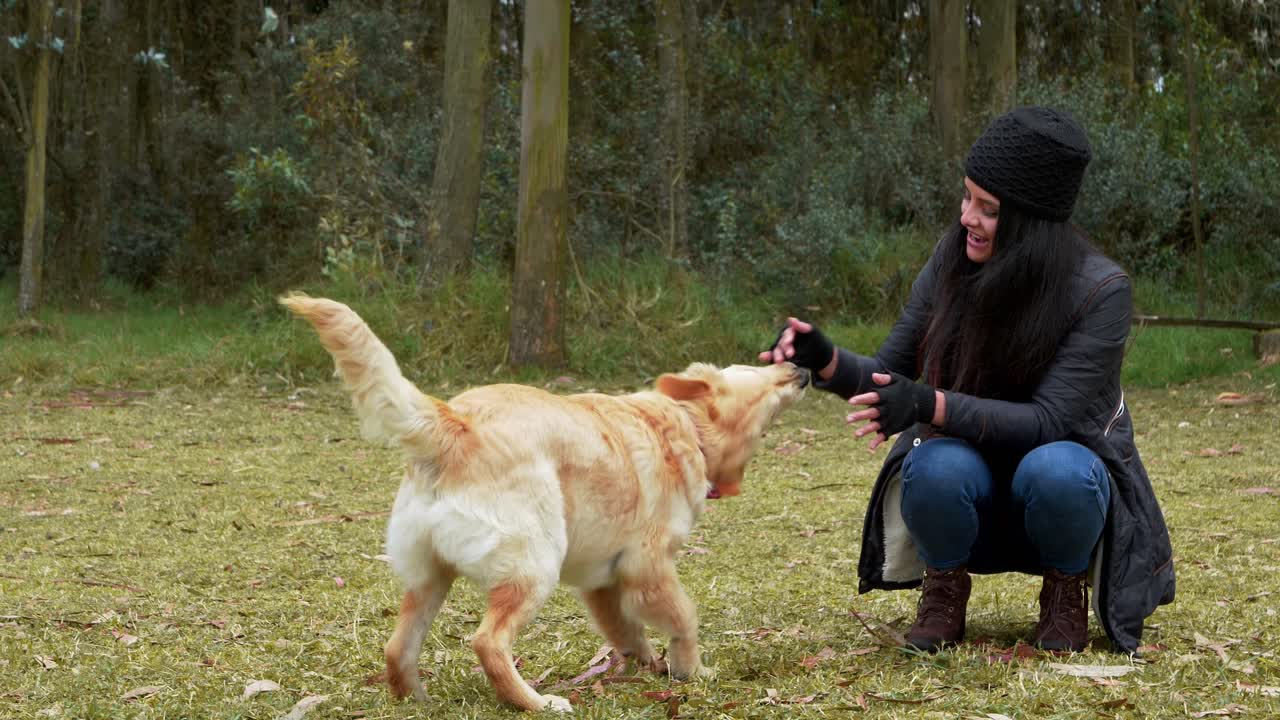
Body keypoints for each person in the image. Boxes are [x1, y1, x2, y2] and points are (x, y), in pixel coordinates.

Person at [761, 106, 1174, 654]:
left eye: (988, 209)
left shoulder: (1101, 291)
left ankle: (1064, 591)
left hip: (1058, 495)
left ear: (1032, 221)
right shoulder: (952, 259)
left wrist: (927, 403)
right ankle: (944, 589)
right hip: (965, 492)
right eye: (967, 198)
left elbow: (1050, 421)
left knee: (1061, 470)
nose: (966, 218)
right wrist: (825, 359)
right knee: (932, 464)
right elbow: (891, 375)